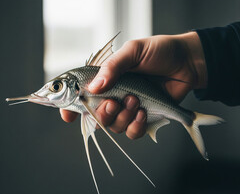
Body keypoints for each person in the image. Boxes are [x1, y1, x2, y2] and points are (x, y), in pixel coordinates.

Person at [60, 22, 240, 139]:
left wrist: (191, 59)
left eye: (56, 87)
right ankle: (188, 118)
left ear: (75, 86)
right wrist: (189, 59)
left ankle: (189, 119)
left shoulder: (85, 86)